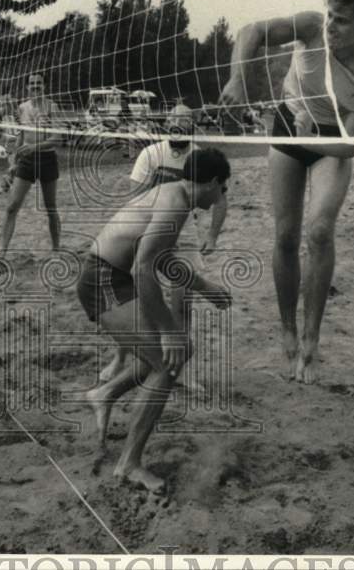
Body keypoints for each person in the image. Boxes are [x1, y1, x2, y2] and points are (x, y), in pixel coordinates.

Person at [219, 0, 354, 384]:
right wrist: (237, 78)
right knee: (285, 235)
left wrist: (315, 139)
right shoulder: (313, 27)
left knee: (319, 232)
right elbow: (252, 32)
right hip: (289, 123)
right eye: (331, 15)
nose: (332, 26)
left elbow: (350, 146)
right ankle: (288, 331)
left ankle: (312, 340)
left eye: (343, 21)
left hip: (331, 139)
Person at [76, 148, 232, 493]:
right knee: (168, 358)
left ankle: (105, 394)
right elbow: (144, 268)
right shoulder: (175, 204)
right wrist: (170, 331)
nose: (223, 196)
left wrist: (204, 286)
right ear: (214, 183)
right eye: (224, 189)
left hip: (112, 277)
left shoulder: (175, 195)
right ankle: (128, 464)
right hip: (103, 281)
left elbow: (160, 259)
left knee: (164, 354)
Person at [99, 103, 229, 383]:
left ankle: (181, 368)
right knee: (139, 292)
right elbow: (136, 199)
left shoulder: (201, 157)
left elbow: (221, 198)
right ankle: (120, 358)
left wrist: (213, 236)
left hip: (185, 230)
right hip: (153, 228)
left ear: (192, 125)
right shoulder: (151, 153)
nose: (178, 124)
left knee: (183, 300)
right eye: (173, 119)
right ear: (166, 123)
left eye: (184, 119)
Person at [1, 72, 63, 253]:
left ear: (44, 86)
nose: (35, 86)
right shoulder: (22, 107)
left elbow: (57, 138)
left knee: (51, 208)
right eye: (32, 83)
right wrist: (13, 162)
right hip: (27, 160)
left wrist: (34, 147)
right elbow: (21, 137)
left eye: (39, 83)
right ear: (27, 86)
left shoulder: (52, 106)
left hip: (47, 159)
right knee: (12, 206)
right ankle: (2, 250)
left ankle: (56, 249)